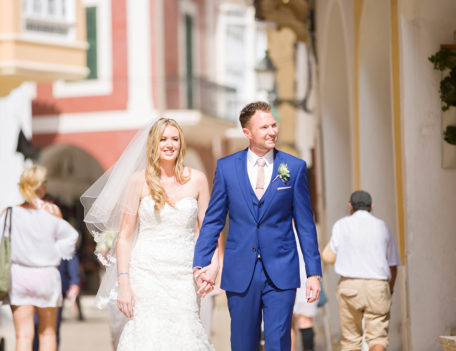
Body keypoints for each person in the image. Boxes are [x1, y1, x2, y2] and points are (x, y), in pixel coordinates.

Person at [193, 101, 322, 351]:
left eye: (273, 125)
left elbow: (305, 225)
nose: (272, 131)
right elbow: (213, 220)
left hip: (282, 271)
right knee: (243, 344)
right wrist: (201, 262)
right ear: (247, 133)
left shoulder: (293, 168)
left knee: (279, 341)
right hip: (240, 272)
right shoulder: (227, 168)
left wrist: (313, 274)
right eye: (264, 127)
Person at [81, 118, 216, 350]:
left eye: (175, 139)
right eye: (163, 139)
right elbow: (123, 237)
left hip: (184, 273)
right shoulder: (137, 181)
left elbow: (209, 231)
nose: (169, 144)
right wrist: (124, 283)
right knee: (147, 336)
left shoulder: (197, 180)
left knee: (185, 333)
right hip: (145, 273)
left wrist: (213, 266)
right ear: (153, 144)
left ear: (181, 143)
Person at [0, 165, 78, 351]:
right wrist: (54, 252)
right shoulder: (52, 211)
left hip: (18, 276)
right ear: (41, 186)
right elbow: (70, 239)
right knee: (48, 333)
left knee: (23, 336)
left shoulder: (9, 212)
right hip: (45, 275)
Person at [321, 190, 401, 351]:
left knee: (351, 340)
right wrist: (389, 290)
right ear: (372, 206)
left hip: (350, 285)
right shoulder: (382, 226)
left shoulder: (341, 225)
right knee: (377, 337)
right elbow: (393, 264)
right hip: (377, 285)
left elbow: (329, 255)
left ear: (350, 206)